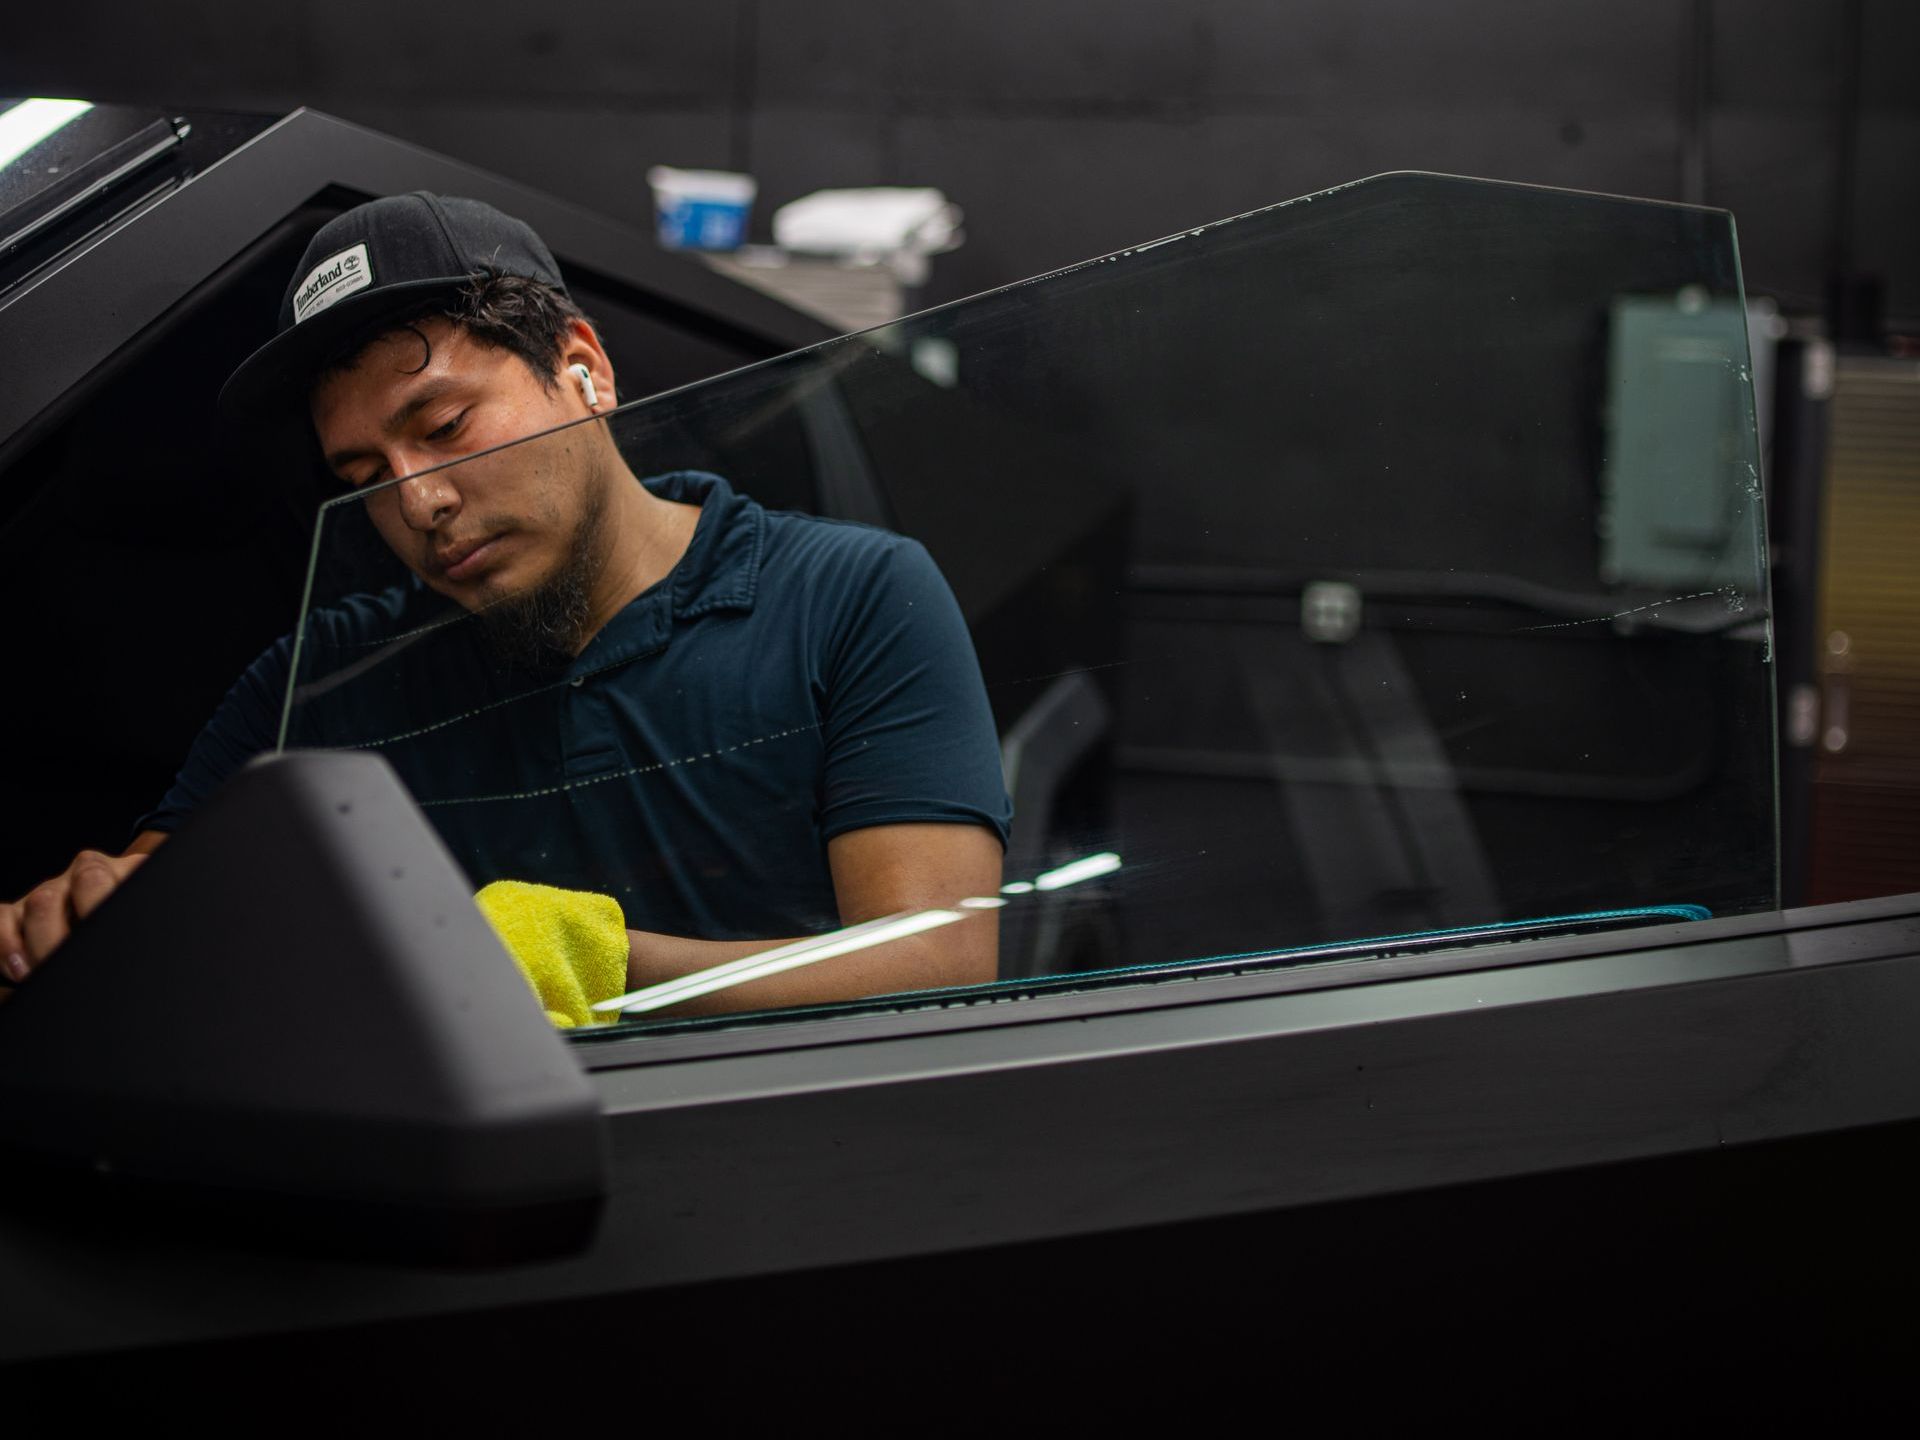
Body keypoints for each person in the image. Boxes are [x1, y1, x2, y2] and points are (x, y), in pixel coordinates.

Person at [1, 192, 1011, 1015]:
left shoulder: (846, 598)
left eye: (443, 425)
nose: (416, 500)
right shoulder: (323, 680)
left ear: (585, 369)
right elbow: (148, 895)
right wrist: (94, 914)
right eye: (361, 473)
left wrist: (591, 958)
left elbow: (938, 970)